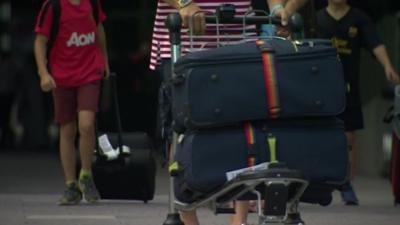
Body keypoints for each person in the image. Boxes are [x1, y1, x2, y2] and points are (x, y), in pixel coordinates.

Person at [150, 1, 308, 225]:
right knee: (183, 126)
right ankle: (187, 218)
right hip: (184, 39)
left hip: (237, 37)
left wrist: (277, 10)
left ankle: (240, 219)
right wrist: (183, 3)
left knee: (243, 126)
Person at [316, 0, 399, 205]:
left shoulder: (359, 18)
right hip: (319, 85)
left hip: (349, 85)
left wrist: (387, 66)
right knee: (320, 135)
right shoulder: (317, 19)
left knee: (348, 137)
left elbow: (375, 44)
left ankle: (346, 183)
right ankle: (318, 182)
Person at [34, 0, 110, 205]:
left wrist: (104, 60)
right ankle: (70, 184)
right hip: (62, 75)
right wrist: (43, 73)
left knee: (86, 124)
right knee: (67, 129)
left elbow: (98, 28)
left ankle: (86, 175)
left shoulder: (92, 3)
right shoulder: (53, 6)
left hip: (89, 72)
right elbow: (40, 41)